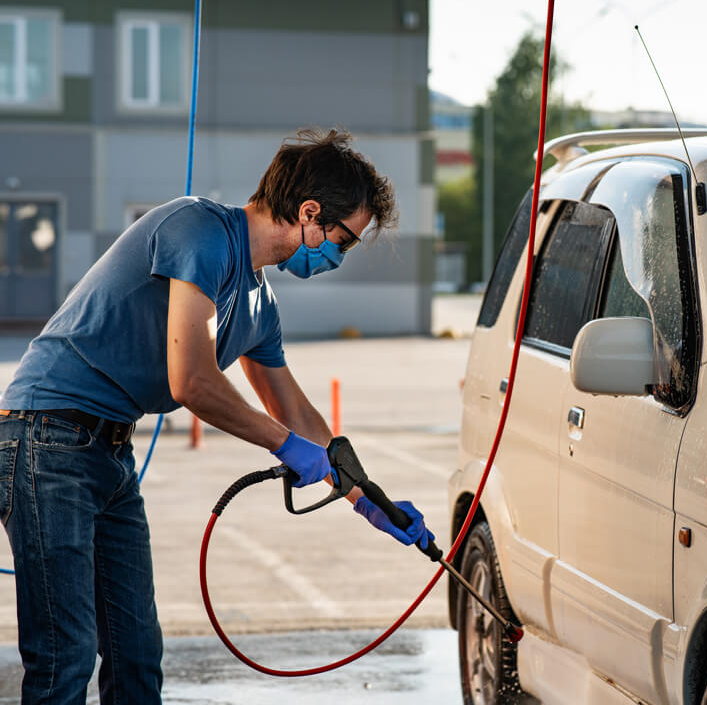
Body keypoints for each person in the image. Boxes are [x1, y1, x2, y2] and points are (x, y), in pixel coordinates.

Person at [0, 128, 433, 704]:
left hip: (108, 451)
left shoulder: (259, 303)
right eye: (343, 239)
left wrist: (366, 496)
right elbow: (195, 381)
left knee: (136, 655)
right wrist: (285, 446)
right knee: (65, 656)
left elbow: (297, 411)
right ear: (309, 212)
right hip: (46, 436)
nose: (339, 256)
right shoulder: (198, 229)